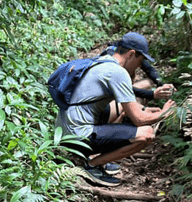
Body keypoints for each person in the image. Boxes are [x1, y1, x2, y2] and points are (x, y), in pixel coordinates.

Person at [55, 32, 176, 187]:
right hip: (77, 137)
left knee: (118, 109)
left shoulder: (103, 61)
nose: (139, 67)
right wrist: (165, 112)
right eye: (140, 61)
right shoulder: (118, 73)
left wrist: (144, 108)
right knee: (146, 134)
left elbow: (126, 103)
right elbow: (139, 119)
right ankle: (91, 165)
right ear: (132, 54)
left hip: (64, 132)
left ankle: (96, 156)